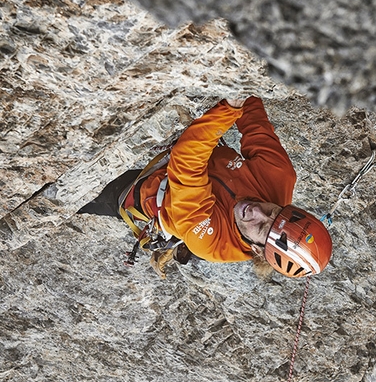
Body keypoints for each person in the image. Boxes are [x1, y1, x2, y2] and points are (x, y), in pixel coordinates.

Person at [78, 96, 332, 278]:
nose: (258, 211)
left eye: (262, 226)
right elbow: (254, 120)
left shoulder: (212, 244)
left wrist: (228, 107)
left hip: (141, 194)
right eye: (275, 212)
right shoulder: (280, 177)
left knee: (74, 193)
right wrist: (242, 89)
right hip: (189, 172)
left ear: (256, 249)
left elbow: (187, 163)